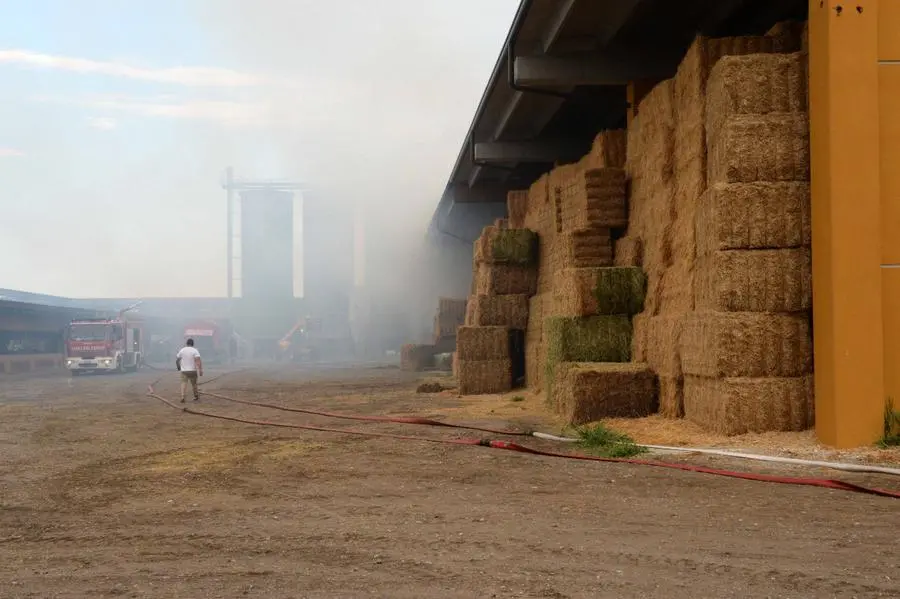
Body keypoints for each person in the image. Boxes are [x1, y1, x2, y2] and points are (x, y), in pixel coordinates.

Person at [176, 338, 203, 403]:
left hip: (184, 371)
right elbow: (198, 361)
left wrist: (179, 367)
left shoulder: (182, 350)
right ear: (193, 344)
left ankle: (183, 397)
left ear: (187, 343)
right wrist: (200, 370)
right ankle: (196, 396)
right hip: (192, 370)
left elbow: (177, 360)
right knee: (194, 384)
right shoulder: (195, 350)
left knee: (183, 383)